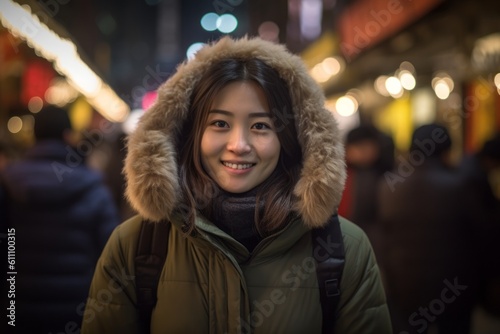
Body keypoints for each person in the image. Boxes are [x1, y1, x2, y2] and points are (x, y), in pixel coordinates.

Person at [81, 36, 391, 333]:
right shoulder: (136, 246)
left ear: (290, 138)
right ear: (190, 135)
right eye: (219, 124)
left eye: (260, 126)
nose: (239, 144)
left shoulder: (344, 251)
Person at [0, 105, 120, 333]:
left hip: (16, 308)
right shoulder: (94, 188)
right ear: (68, 135)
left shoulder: (8, 182)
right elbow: (111, 256)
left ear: (34, 135)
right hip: (76, 312)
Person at [377, 123, 478, 334]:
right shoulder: (460, 185)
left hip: (404, 285)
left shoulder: (389, 186)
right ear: (447, 150)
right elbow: (480, 236)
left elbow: (384, 236)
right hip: (453, 287)